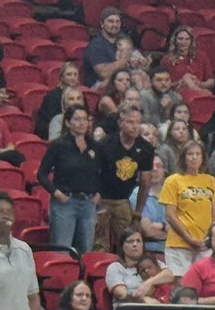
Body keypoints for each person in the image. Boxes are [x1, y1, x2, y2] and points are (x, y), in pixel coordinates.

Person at [37, 105, 99, 254]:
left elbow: (102, 173)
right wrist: (56, 193)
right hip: (65, 203)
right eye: (77, 119)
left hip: (88, 204)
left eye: (85, 119)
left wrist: (99, 193)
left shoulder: (95, 146)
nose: (82, 123)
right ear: (67, 122)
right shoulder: (58, 146)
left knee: (86, 252)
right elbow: (41, 174)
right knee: (61, 250)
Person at [94, 103, 153, 252]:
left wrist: (138, 213)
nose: (135, 126)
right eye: (130, 122)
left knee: (128, 240)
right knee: (100, 244)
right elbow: (94, 174)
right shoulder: (105, 145)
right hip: (102, 198)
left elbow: (145, 182)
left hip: (123, 200)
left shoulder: (146, 148)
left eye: (138, 122)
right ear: (120, 123)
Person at [160, 140, 215, 277]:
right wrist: (189, 238)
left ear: (203, 157)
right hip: (179, 244)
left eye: (198, 154)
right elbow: (170, 215)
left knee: (204, 282)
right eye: (190, 154)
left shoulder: (210, 180)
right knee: (182, 286)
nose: (194, 157)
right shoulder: (173, 180)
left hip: (204, 244)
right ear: (183, 157)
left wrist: (209, 239)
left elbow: (214, 215)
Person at [106, 229, 172, 303]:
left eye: (138, 241)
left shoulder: (150, 262)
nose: (135, 244)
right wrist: (142, 300)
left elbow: (169, 275)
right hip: (128, 308)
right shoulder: (115, 267)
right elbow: (121, 294)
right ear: (122, 246)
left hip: (155, 304)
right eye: (130, 241)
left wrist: (149, 282)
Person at [161, 25, 214, 93]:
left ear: (191, 41)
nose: (183, 42)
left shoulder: (201, 56)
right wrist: (181, 82)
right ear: (175, 40)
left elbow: (211, 81)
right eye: (180, 39)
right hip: (178, 93)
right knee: (186, 78)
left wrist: (200, 83)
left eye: (187, 39)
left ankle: (198, 93)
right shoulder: (167, 59)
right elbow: (162, 85)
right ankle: (200, 93)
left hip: (199, 89)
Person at [82, 6, 126, 87]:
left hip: (121, 82)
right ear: (102, 24)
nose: (115, 25)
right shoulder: (95, 46)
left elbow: (137, 61)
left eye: (117, 22)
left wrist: (143, 63)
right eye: (110, 21)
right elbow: (103, 72)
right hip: (99, 86)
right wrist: (125, 62)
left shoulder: (123, 41)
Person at [133, 154, 169, 243]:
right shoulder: (136, 195)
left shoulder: (173, 193)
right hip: (150, 251)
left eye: (159, 166)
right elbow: (148, 231)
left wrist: (161, 226)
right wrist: (168, 229)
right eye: (150, 166)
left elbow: (185, 227)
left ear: (165, 170)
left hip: (176, 251)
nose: (155, 169)